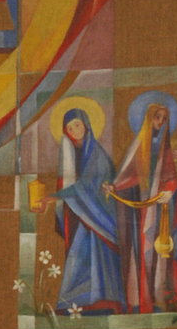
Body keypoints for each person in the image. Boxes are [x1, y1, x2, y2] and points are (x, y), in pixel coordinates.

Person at [43, 108, 124, 315]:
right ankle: (76, 304)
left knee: (88, 255)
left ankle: (100, 301)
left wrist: (54, 197)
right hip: (82, 213)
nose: (75, 130)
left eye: (77, 125)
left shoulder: (97, 154)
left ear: (86, 125)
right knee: (79, 256)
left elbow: (86, 186)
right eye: (69, 128)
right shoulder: (71, 152)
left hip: (99, 216)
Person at [109, 99, 177, 314]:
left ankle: (161, 296)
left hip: (162, 208)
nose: (160, 122)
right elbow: (128, 176)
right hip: (142, 207)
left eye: (164, 119)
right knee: (144, 250)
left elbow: (174, 177)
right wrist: (114, 187)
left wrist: (170, 190)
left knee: (160, 252)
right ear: (148, 119)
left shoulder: (167, 147)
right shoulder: (139, 145)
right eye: (157, 117)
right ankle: (143, 297)